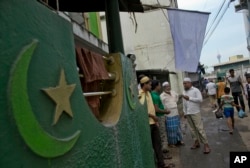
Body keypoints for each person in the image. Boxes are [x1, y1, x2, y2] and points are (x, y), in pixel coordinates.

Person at [138, 76, 174, 168]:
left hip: (154, 123)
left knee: (157, 144)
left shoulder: (149, 94)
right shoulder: (140, 94)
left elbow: (152, 108)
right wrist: (152, 116)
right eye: (149, 84)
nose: (151, 85)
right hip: (147, 124)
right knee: (149, 146)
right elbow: (141, 110)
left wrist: (155, 119)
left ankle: (161, 164)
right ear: (144, 84)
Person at [182, 77, 211, 154]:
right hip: (188, 113)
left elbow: (200, 100)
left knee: (199, 129)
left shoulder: (195, 90)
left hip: (195, 112)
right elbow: (184, 103)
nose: (184, 85)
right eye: (183, 83)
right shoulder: (184, 91)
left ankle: (206, 145)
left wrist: (190, 98)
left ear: (190, 83)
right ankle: (196, 142)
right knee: (192, 129)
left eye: (185, 83)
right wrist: (184, 112)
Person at [160, 81, 184, 148]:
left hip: (176, 112)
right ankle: (172, 143)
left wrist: (175, 102)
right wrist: (165, 109)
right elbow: (162, 104)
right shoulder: (162, 96)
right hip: (169, 114)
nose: (168, 87)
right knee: (171, 129)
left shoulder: (173, 92)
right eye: (166, 86)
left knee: (178, 127)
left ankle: (179, 140)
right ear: (164, 88)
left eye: (169, 86)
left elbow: (176, 98)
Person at [151, 80, 171, 154]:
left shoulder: (152, 94)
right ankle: (164, 150)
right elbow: (156, 109)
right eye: (159, 85)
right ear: (156, 86)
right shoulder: (155, 96)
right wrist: (165, 111)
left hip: (157, 116)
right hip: (159, 116)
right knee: (162, 133)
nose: (160, 87)